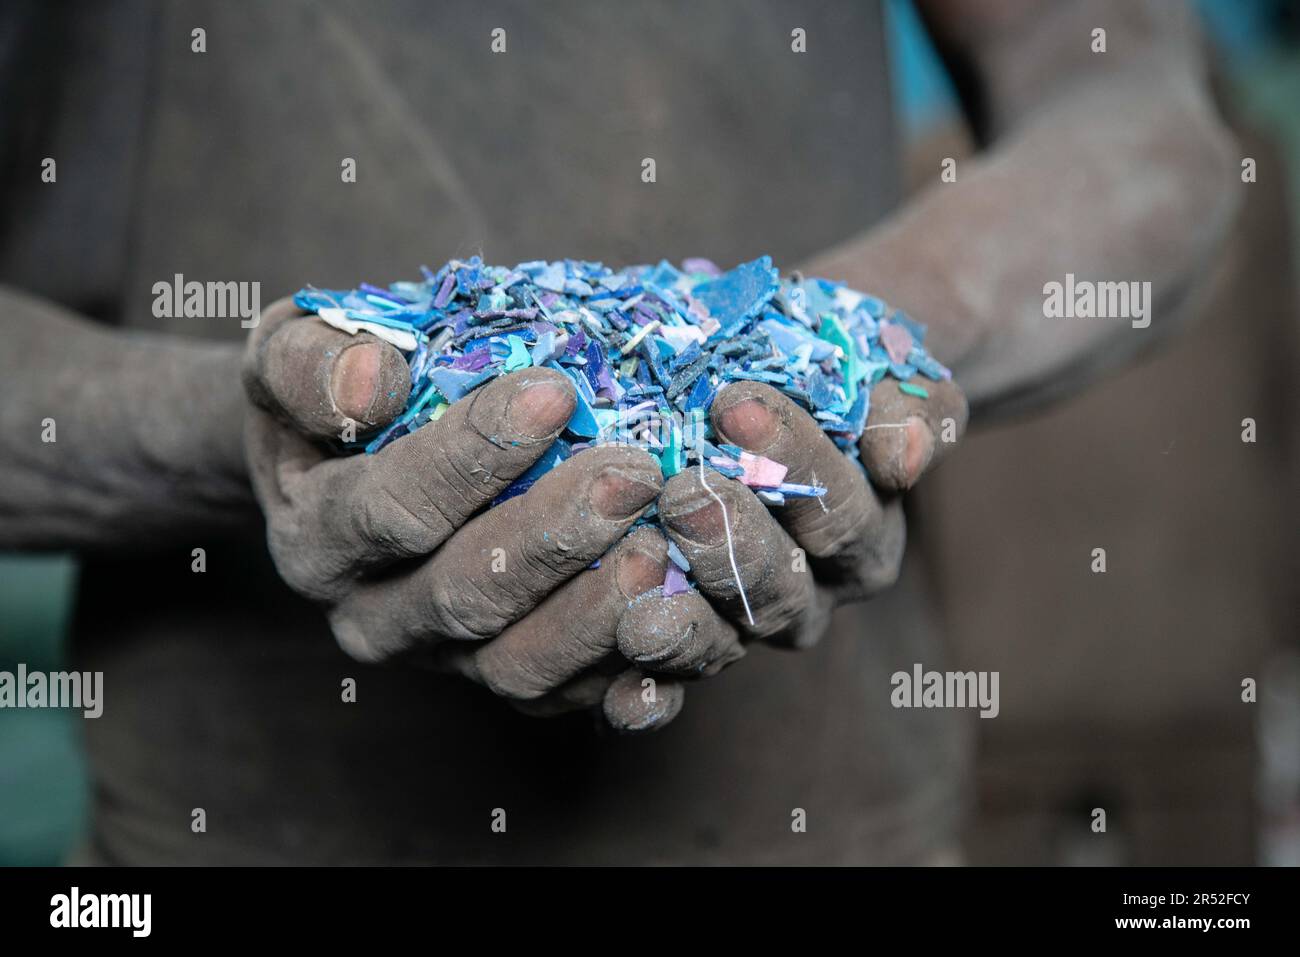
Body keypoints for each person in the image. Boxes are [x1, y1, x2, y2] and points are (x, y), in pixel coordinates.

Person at [0, 0, 1237, 864]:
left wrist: (841, 348)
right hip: (218, 828)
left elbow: (1137, 110)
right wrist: (235, 430)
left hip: (817, 821)